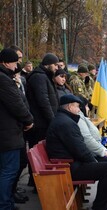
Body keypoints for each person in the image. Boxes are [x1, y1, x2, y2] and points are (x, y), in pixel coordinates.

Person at [46, 95, 107, 210]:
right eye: (77, 107)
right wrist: (94, 161)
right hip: (68, 167)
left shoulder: (64, 119)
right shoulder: (66, 123)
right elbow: (80, 149)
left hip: (72, 162)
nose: (79, 109)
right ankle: (100, 205)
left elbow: (79, 148)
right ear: (70, 107)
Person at [0, 48, 34, 210]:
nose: (17, 65)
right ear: (6, 62)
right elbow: (17, 104)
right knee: (8, 171)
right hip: (8, 134)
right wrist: (28, 120)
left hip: (7, 133)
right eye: (15, 62)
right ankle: (5, 204)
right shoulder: (4, 79)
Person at [26, 53, 59, 186]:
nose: (57, 68)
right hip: (41, 124)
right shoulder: (39, 77)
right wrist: (53, 120)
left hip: (43, 122)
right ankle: (36, 182)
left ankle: (35, 181)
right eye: (55, 65)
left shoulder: (44, 76)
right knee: (38, 156)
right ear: (48, 64)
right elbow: (43, 101)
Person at [77, 96, 107, 174]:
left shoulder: (81, 117)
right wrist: (102, 151)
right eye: (86, 106)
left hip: (92, 152)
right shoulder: (79, 119)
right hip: (89, 155)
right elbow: (87, 139)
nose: (88, 109)